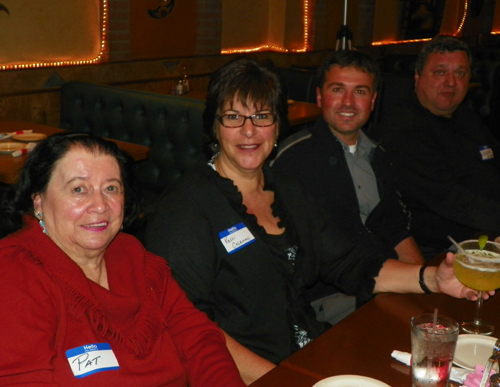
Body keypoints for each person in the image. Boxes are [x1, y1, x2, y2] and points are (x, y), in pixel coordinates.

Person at [144, 57, 485, 385]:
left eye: (262, 116)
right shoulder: (185, 208)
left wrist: (433, 279)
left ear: (277, 125)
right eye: (233, 116)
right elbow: (189, 328)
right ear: (214, 127)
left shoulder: (291, 193)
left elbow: (352, 263)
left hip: (308, 354)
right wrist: (285, 379)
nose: (249, 131)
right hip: (244, 375)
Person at [0, 133, 245, 387]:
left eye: (111, 188)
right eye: (78, 189)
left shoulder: (131, 255)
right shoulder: (15, 274)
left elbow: (199, 340)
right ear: (38, 199)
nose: (99, 205)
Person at [272, 50, 425, 325]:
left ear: (373, 100)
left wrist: (425, 286)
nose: (348, 102)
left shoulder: (379, 155)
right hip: (328, 304)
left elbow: (397, 230)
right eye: (338, 89)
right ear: (320, 97)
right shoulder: (293, 160)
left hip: (385, 286)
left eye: (361, 92)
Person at [379, 35, 500, 259]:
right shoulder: (405, 130)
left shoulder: (463, 113)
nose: (451, 82)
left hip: (486, 227)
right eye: (440, 72)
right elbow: (453, 202)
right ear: (417, 76)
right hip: (444, 249)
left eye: (460, 73)